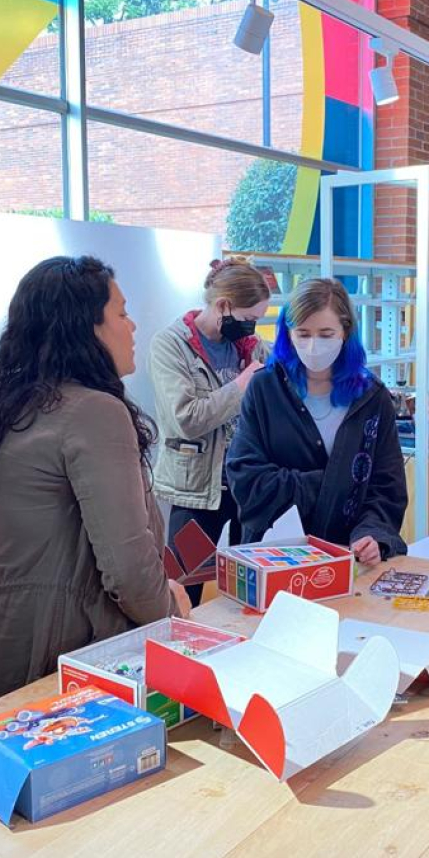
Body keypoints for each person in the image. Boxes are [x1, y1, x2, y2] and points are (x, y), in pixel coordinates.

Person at [0, 256, 190, 722]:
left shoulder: (6, 406)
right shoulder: (95, 413)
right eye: (121, 313)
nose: (133, 326)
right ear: (86, 328)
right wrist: (170, 612)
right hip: (44, 662)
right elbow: (129, 569)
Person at [226, 278, 407, 566]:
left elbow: (387, 487)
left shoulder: (372, 398)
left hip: (347, 558)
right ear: (288, 333)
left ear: (345, 331)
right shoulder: (265, 389)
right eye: (303, 333)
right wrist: (331, 484)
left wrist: (373, 535)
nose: (313, 345)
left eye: (325, 334)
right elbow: (245, 478)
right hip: (275, 558)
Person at [149, 257, 271, 605]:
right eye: (249, 319)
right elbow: (185, 419)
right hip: (196, 491)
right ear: (223, 306)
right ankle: (179, 655)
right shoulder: (171, 345)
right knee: (182, 589)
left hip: (245, 486)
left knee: (248, 591)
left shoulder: (249, 346)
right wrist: (241, 386)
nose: (252, 328)